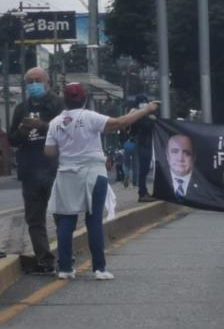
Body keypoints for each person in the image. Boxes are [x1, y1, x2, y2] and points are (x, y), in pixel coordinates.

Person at [44, 83, 159, 280]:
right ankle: (99, 269)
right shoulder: (90, 117)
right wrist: (146, 109)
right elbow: (120, 123)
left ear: (64, 100)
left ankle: (64, 268)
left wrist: (67, 146)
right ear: (85, 99)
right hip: (93, 173)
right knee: (93, 219)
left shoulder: (55, 122)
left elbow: (49, 152)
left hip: (66, 174)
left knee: (66, 220)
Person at [7, 67, 63, 275]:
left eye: (37, 80)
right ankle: (44, 260)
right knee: (34, 218)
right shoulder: (22, 108)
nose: (33, 85)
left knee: (61, 214)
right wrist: (22, 130)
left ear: (47, 82)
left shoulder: (57, 104)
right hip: (30, 170)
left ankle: (66, 257)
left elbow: (67, 131)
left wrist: (43, 125)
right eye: (29, 81)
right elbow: (12, 139)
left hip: (53, 168)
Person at [130, 95, 157, 203]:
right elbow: (148, 125)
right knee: (143, 170)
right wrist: (150, 117)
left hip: (146, 144)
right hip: (142, 145)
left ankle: (144, 192)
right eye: (143, 102)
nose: (144, 104)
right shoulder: (137, 115)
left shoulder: (144, 115)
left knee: (144, 170)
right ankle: (142, 193)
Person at [164, 134, 200, 199]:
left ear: (194, 157)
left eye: (187, 153)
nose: (180, 159)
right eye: (175, 151)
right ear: (167, 156)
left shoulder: (205, 186)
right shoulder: (159, 181)